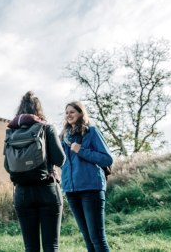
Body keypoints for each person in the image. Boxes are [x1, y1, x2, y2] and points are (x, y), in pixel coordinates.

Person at [7, 91, 66, 252]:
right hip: (47, 189)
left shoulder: (11, 133)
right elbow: (60, 160)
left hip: (22, 193)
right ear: (39, 110)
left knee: (30, 248)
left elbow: (7, 166)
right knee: (51, 246)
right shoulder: (46, 128)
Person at [60, 101, 113, 252]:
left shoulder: (92, 131)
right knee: (87, 238)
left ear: (81, 113)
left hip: (91, 188)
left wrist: (81, 150)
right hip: (71, 190)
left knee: (97, 238)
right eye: (67, 112)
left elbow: (107, 159)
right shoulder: (64, 136)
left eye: (72, 112)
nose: (68, 115)